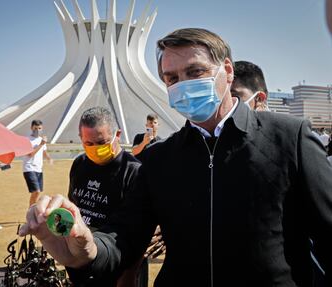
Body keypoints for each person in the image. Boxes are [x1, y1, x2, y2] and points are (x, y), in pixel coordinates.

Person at [20, 28, 332, 286]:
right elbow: (122, 240)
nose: (182, 85)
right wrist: (86, 249)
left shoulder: (290, 139)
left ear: (226, 70)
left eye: (195, 72)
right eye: (171, 78)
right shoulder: (160, 160)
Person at [67, 106, 147, 287]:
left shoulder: (134, 172)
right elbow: (74, 209)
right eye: (88, 144)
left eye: (102, 142)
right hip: (83, 263)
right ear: (81, 139)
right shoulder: (80, 164)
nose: (96, 149)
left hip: (120, 269)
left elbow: (140, 233)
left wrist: (129, 275)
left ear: (117, 135)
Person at [22, 120, 52, 207]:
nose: (37, 130)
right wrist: (41, 144)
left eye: (39, 128)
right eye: (35, 128)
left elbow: (44, 152)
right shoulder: (27, 140)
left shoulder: (41, 140)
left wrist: (49, 158)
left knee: (37, 192)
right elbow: (30, 154)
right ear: (31, 128)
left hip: (39, 169)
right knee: (36, 191)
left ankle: (32, 211)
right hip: (29, 168)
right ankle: (30, 213)